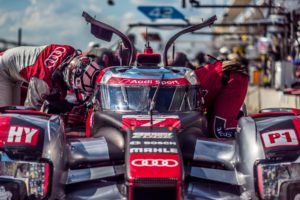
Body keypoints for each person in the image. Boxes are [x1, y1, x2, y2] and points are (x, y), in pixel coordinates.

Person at [0, 44, 102, 113]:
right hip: (4, 71)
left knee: (13, 112)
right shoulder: (43, 81)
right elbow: (30, 113)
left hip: (12, 66)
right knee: (7, 118)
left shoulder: (70, 50)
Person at [195, 60, 249, 138]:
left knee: (220, 131)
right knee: (211, 129)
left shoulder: (183, 82)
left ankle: (259, 129)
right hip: (225, 78)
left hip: (233, 80)